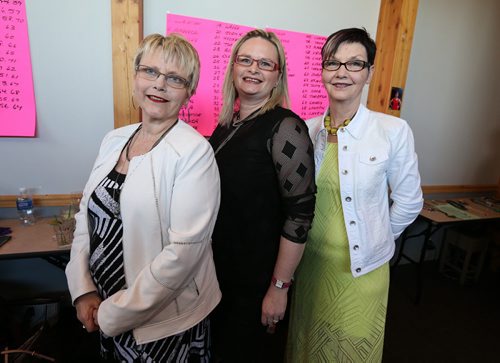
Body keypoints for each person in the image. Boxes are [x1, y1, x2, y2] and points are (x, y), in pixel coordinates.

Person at [65, 33, 221, 362]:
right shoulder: (114, 139)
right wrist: (83, 290)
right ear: (135, 77)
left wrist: (113, 314)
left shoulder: (194, 153)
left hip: (162, 323)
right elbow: (86, 215)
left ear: (189, 92)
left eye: (174, 78)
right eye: (150, 71)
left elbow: (183, 255)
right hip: (101, 305)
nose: (159, 85)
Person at [287, 28, 423, 362]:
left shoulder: (392, 130)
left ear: (369, 73)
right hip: (311, 267)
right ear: (322, 71)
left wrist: (378, 236)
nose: (342, 72)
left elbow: (410, 200)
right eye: (333, 63)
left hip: (362, 270)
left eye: (355, 64)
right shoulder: (307, 130)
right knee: (308, 348)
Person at [209, 29, 316, 362]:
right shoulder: (228, 123)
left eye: (265, 63)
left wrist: (279, 288)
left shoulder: (286, 128)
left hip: (256, 280)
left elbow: (300, 215)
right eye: (246, 60)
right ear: (233, 68)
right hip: (218, 269)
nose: (254, 69)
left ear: (277, 76)